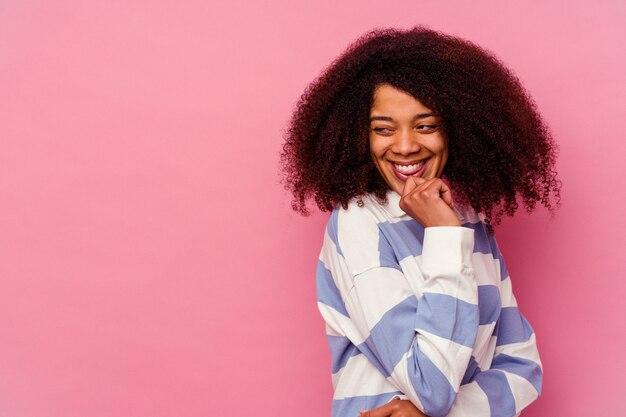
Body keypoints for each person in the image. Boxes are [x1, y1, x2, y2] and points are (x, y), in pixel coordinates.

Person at [280, 26, 560, 417]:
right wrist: (445, 236)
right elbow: (430, 385)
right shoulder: (358, 222)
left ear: (456, 129)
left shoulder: (467, 220)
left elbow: (523, 369)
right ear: (359, 135)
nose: (407, 146)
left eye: (425, 125)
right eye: (383, 129)